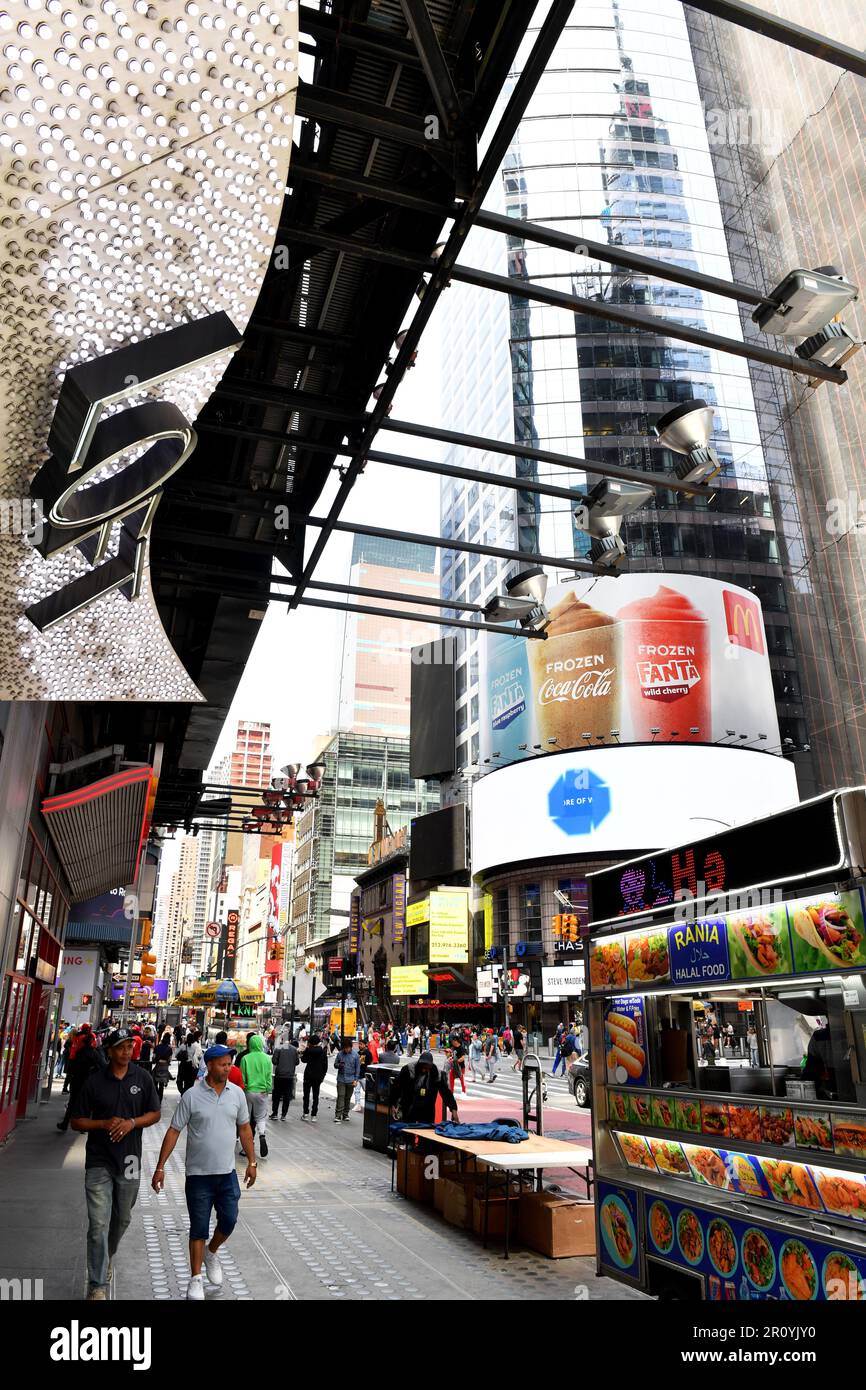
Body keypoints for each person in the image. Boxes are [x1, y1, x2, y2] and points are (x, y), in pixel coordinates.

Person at [152, 1044, 257, 1301]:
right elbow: (174, 1130)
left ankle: (212, 1251)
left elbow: (244, 1129)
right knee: (198, 1227)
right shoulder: (191, 1096)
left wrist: (252, 1163)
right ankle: (196, 1278)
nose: (228, 1067)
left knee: (229, 1220)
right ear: (209, 1065)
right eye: (223, 1064)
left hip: (227, 1173)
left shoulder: (237, 1094)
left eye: (229, 1063)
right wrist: (160, 1167)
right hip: (198, 1175)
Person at [70, 1028, 161, 1300]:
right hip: (99, 1159)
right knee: (98, 1223)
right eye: (120, 1047)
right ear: (109, 1050)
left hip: (130, 1158)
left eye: (130, 1046)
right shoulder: (94, 1082)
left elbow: (155, 1113)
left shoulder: (142, 1078)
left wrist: (132, 1123)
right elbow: (77, 1120)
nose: (126, 1051)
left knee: (122, 1217)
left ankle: (106, 1256)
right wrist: (102, 1124)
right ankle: (97, 1284)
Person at [392, 1051, 459, 1125]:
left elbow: (445, 1092)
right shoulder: (408, 1069)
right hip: (409, 1106)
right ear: (419, 1063)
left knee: (426, 1131)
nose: (424, 1069)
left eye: (427, 1068)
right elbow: (397, 1087)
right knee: (407, 1134)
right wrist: (393, 1104)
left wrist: (453, 1109)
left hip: (427, 1109)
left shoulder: (436, 1073)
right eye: (423, 1067)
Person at [57, 1023, 103, 1130]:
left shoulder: (79, 1050)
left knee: (73, 1102)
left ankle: (65, 1123)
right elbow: (101, 1066)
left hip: (77, 1079)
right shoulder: (95, 1054)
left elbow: (72, 1063)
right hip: (88, 1081)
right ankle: (84, 1125)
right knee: (88, 1103)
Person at [240, 1033, 273, 1157]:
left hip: (249, 1092)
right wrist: (268, 1089)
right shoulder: (266, 1058)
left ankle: (247, 1146)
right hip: (262, 1091)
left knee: (247, 1120)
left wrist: (246, 1088)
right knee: (260, 1117)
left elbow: (243, 1077)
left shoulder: (245, 1058)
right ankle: (262, 1135)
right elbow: (269, 1076)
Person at [299, 1033, 327, 1121]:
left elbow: (303, 1060)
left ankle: (305, 1113)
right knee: (316, 1096)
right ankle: (314, 1115)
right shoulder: (322, 1052)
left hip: (308, 1075)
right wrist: (322, 1076)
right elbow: (325, 1066)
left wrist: (306, 1050)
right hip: (318, 1076)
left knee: (306, 1095)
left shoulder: (309, 1050)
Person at [271, 1033, 299, 1120]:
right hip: (290, 1076)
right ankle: (283, 1115)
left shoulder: (278, 1048)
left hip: (279, 1075)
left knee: (277, 1095)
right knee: (287, 1096)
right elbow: (297, 1062)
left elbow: (274, 1061)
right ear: (291, 1040)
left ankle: (275, 1113)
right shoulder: (294, 1050)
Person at [333, 1035, 361, 1122]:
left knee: (347, 1097)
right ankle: (338, 1115)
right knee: (341, 1096)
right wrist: (339, 1065)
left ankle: (345, 1114)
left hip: (351, 1079)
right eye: (345, 1048)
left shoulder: (355, 1055)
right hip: (341, 1079)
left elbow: (357, 1069)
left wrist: (356, 1080)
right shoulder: (340, 1054)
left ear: (351, 1047)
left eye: (347, 1048)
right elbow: (335, 1065)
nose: (346, 1050)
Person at [152, 1031, 174, 1103]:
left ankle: (157, 1095)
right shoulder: (169, 1048)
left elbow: (154, 1057)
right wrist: (168, 1062)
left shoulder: (157, 1047)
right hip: (164, 1067)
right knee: (161, 1084)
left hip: (158, 1065)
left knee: (155, 1081)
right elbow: (170, 1059)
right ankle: (160, 1099)